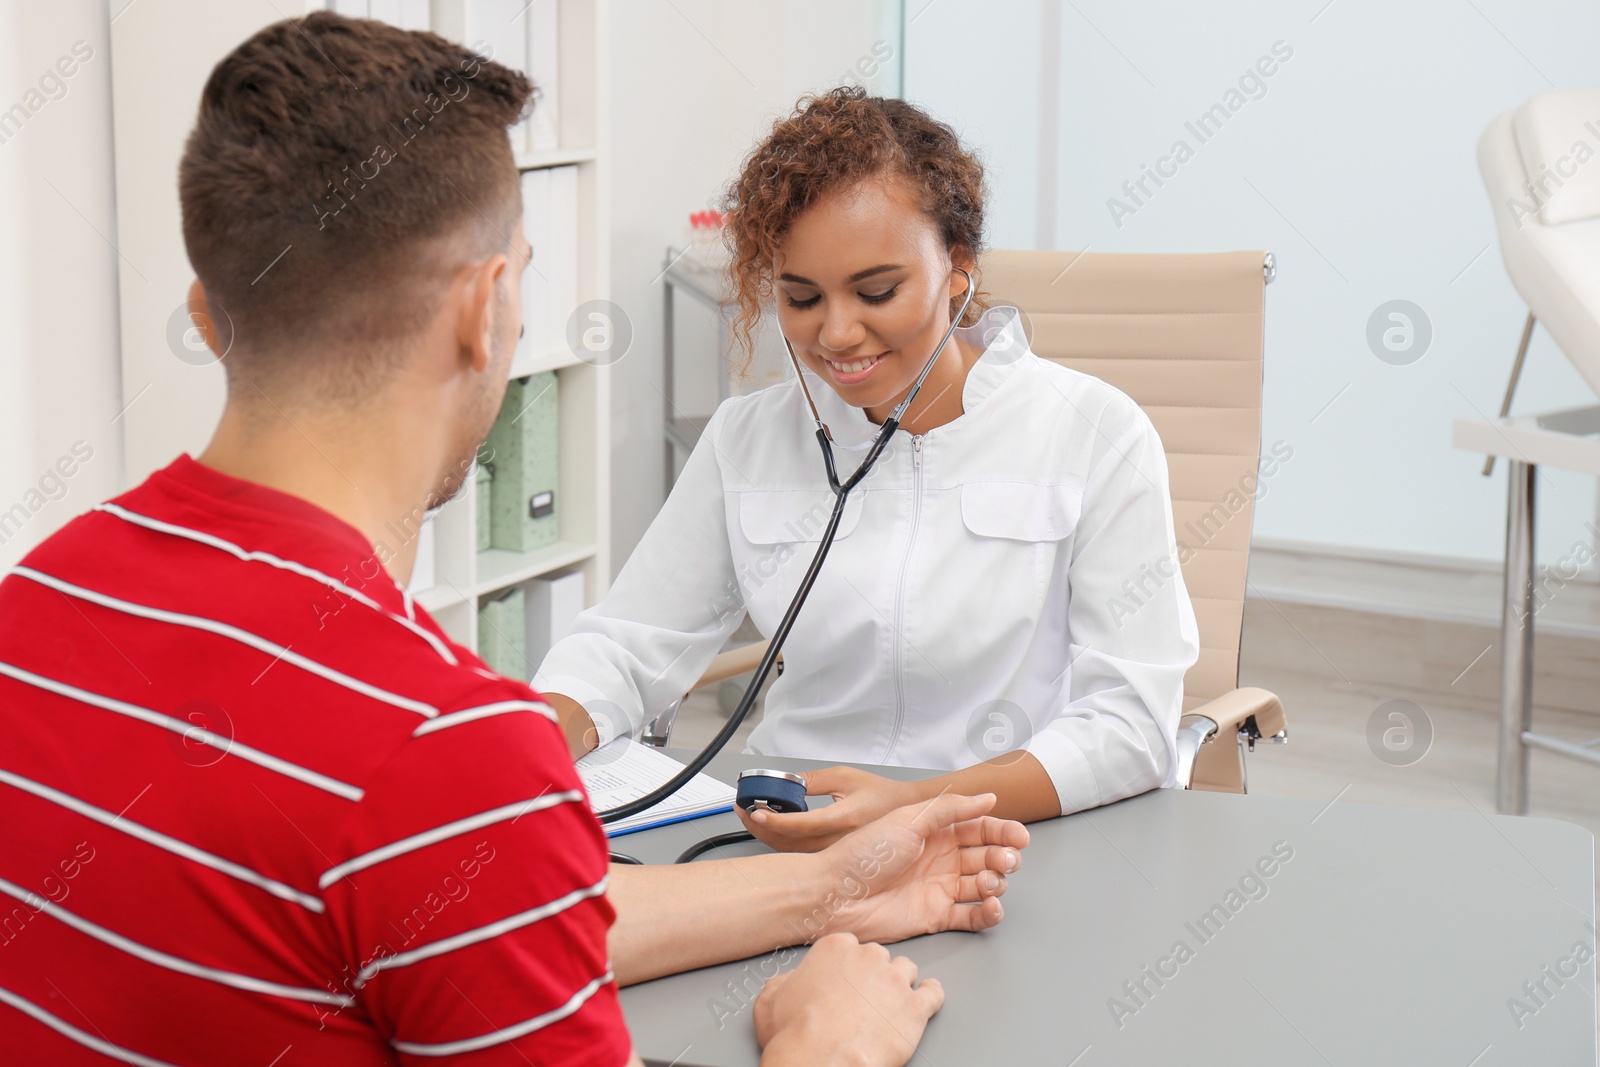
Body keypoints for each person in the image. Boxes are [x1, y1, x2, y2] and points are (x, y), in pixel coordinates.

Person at [0, 15, 1029, 1066]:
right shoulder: (440, 753)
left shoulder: (32, 606)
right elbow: (451, 859)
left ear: (208, 314)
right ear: (485, 311)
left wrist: (827, 889)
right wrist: (832, 1044)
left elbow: (458, 906)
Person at [536, 87, 1200, 852]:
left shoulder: (1094, 433)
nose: (838, 334)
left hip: (1004, 836)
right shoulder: (747, 439)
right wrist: (538, 734)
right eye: (801, 297)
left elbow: (1132, 726)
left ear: (959, 266)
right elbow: (629, 643)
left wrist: (912, 805)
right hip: (789, 839)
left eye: (877, 291)